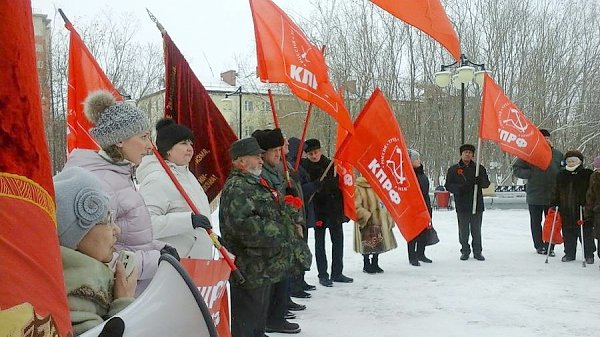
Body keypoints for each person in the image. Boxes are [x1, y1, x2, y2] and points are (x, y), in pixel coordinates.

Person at [62, 90, 177, 296]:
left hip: (136, 290)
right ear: (119, 140)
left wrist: (160, 248)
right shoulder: (100, 183)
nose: (149, 146)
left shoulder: (119, 173)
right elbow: (97, 255)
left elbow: (128, 238)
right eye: (143, 137)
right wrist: (153, 260)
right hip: (120, 297)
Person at [219, 137, 298, 337]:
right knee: (246, 323)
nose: (261, 160)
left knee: (257, 322)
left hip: (261, 266)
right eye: (255, 157)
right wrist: (282, 230)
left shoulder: (253, 182)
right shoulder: (237, 186)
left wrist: (286, 206)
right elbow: (244, 228)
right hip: (248, 268)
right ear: (240, 161)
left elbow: (267, 211)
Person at [54, 167, 138, 335]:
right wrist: (123, 302)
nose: (117, 229)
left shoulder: (77, 284)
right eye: (107, 220)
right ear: (75, 237)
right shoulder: (77, 301)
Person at [251, 128, 308, 333]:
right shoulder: (261, 173)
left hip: (282, 233)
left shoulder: (275, 169)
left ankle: (278, 313)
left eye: (279, 148)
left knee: (281, 276)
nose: (279, 153)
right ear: (263, 153)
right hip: (273, 234)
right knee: (274, 279)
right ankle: (274, 317)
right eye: (274, 149)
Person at [137, 118, 213, 259]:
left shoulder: (188, 176)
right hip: (174, 264)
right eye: (183, 143)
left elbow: (200, 217)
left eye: (191, 143)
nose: (190, 148)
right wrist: (187, 221)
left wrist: (211, 238)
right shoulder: (157, 179)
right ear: (168, 150)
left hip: (197, 263)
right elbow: (146, 225)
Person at [301, 138, 353, 286]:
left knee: (338, 241)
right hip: (318, 211)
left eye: (315, 152)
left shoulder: (331, 164)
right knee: (320, 243)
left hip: (335, 209)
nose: (314, 156)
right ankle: (323, 274)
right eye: (310, 154)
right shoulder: (305, 167)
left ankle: (337, 272)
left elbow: (340, 186)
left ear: (321, 151)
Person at [512, 128, 563, 256]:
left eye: (547, 138)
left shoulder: (557, 154)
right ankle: (539, 246)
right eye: (542, 138)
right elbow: (517, 169)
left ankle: (549, 246)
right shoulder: (529, 153)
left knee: (551, 222)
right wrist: (531, 174)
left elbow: (563, 169)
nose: (545, 140)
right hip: (535, 195)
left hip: (553, 195)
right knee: (536, 222)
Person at [444, 144, 491, 261]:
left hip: (476, 204)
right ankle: (465, 250)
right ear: (461, 154)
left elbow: (486, 184)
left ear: (473, 155)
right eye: (465, 152)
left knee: (476, 230)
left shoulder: (479, 168)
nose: (468, 154)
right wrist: (460, 188)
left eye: (470, 152)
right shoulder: (453, 169)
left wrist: (480, 181)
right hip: (462, 205)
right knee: (463, 230)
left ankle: (477, 251)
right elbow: (448, 185)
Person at [286, 137, 317, 297]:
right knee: (297, 251)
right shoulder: (289, 166)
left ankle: (300, 280)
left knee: (303, 248)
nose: (304, 154)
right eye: (302, 151)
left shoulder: (297, 166)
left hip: (303, 213)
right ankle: (295, 284)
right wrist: (313, 186)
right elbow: (297, 191)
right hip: (296, 214)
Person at [552, 150, 595, 263]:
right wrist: (554, 202)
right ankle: (569, 253)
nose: (571, 163)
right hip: (566, 209)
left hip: (582, 209)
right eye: (569, 161)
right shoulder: (561, 174)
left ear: (579, 161)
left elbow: (592, 190)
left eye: (574, 161)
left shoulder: (586, 173)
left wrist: (588, 203)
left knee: (586, 234)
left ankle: (589, 254)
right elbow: (556, 190)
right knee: (568, 233)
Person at [354, 176, 398, 274]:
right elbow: (355, 205)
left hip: (379, 220)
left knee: (378, 241)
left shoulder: (380, 186)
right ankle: (366, 263)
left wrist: (388, 216)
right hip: (367, 221)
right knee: (367, 243)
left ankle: (375, 262)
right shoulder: (359, 187)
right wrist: (365, 216)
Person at [406, 149, 433, 266]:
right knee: (413, 233)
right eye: (416, 159)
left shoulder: (422, 173)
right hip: (412, 208)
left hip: (424, 206)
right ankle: (412, 256)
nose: (419, 161)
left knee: (424, 231)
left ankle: (421, 253)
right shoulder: (407, 174)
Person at [585, 155, 600, 264]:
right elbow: (590, 195)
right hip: (597, 212)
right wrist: (589, 210)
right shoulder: (594, 177)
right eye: (597, 168)